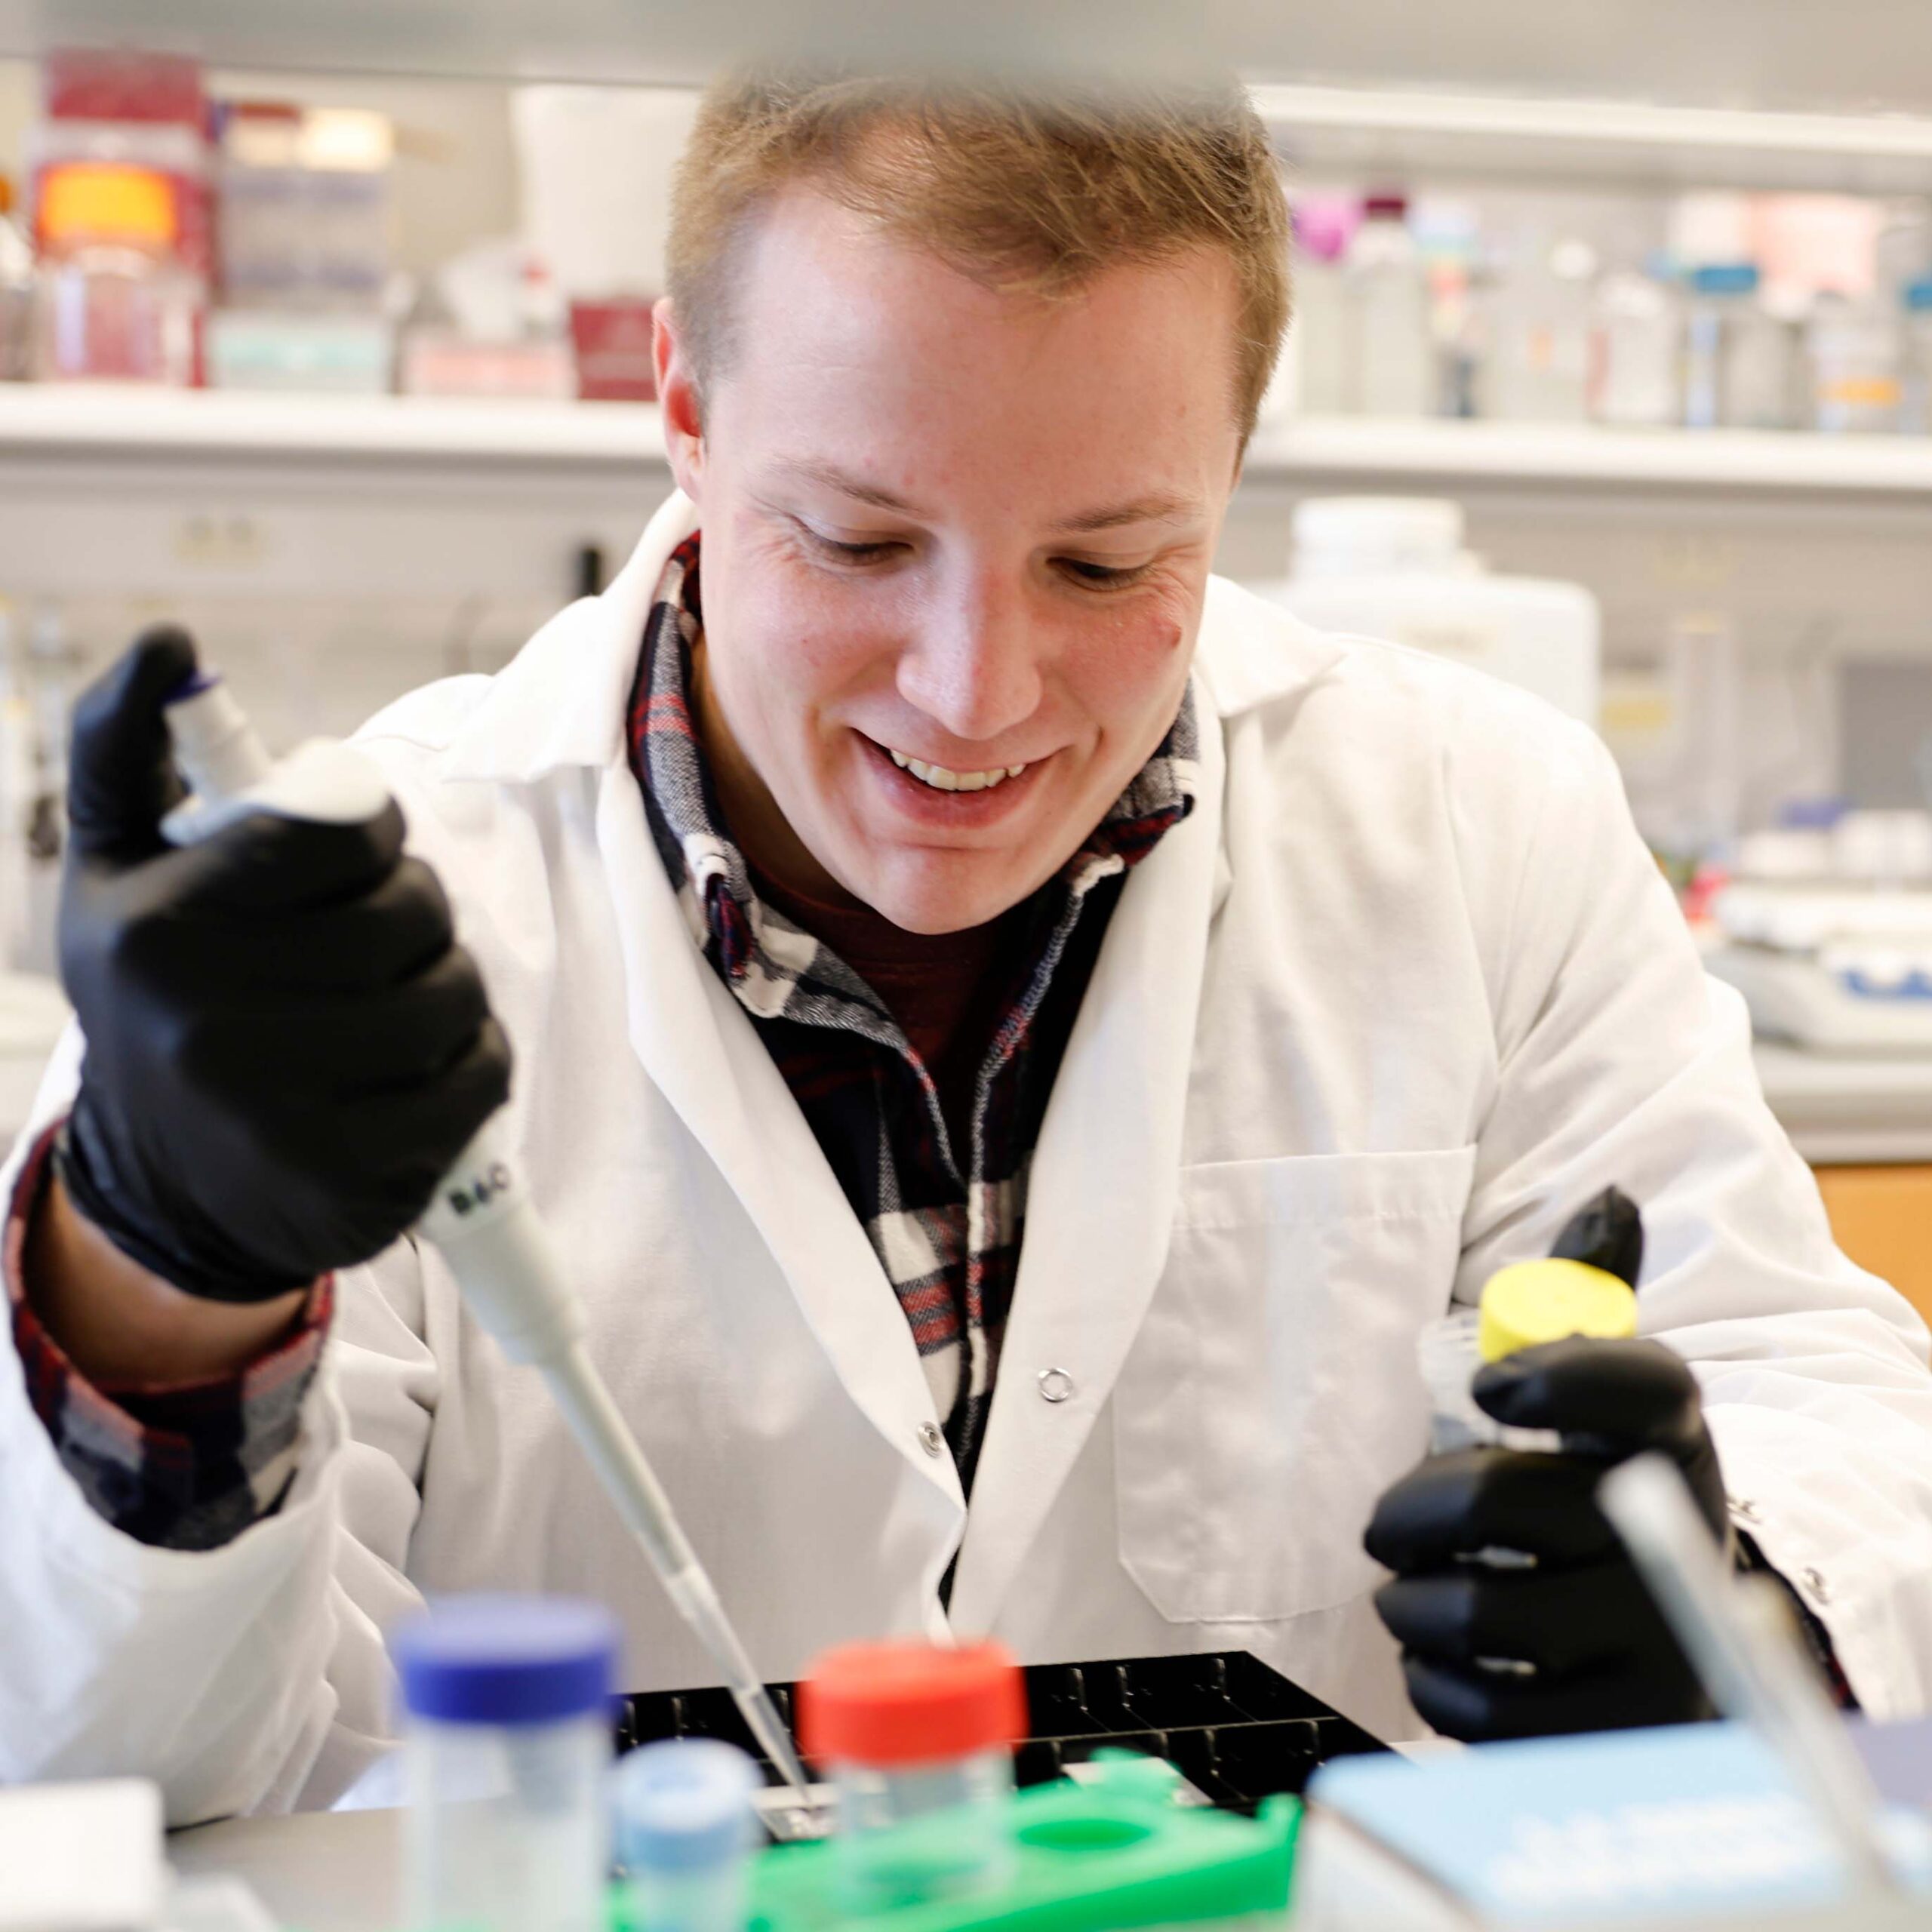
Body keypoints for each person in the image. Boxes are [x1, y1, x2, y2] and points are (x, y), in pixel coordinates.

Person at [5, 69, 1931, 1824]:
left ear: (1232, 459)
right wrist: (159, 1278)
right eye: (852, 540)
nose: (972, 693)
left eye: (1105, 564)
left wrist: (1732, 1595)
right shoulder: (345, 947)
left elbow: (1809, 1384)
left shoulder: (1471, 821)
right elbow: (113, 1770)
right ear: (682, 405)